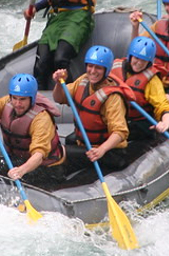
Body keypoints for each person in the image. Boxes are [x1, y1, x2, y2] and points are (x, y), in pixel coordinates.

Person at [0, 73, 65, 181]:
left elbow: (38, 155)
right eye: (14, 98)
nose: (17, 103)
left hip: (46, 169)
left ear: (32, 98)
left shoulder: (41, 119)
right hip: (18, 160)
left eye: (22, 99)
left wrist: (20, 171)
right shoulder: (7, 102)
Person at [51, 44, 130, 172]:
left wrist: (101, 150)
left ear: (107, 69)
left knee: (60, 152)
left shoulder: (113, 98)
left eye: (98, 68)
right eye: (90, 66)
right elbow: (59, 98)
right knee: (70, 140)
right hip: (86, 143)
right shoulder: (83, 80)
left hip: (109, 152)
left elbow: (120, 132)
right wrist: (59, 84)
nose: (92, 71)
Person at [109, 35, 169, 143]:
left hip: (137, 123)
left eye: (144, 60)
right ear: (130, 56)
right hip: (114, 118)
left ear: (149, 62)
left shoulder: (151, 80)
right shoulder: (115, 66)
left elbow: (163, 106)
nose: (139, 63)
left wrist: (165, 122)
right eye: (136, 58)